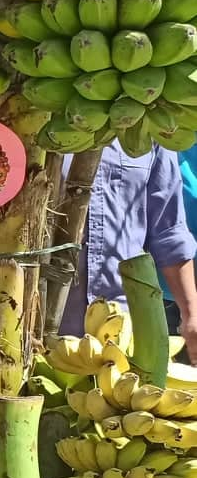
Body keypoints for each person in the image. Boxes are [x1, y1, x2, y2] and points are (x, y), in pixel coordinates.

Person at [62, 143, 197, 354]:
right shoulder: (37, 126)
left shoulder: (148, 132)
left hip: (124, 324)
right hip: (37, 321)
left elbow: (169, 232)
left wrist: (191, 313)